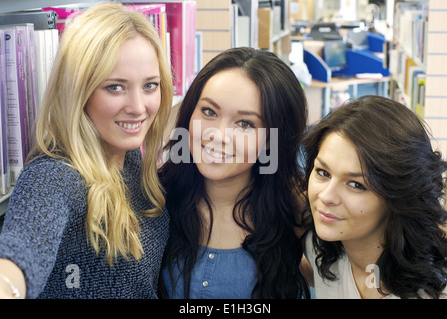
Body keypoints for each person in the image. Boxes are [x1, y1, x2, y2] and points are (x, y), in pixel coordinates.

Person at [0, 2, 173, 298]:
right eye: (115, 87)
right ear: (79, 91)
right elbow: (20, 252)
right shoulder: (54, 176)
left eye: (150, 85)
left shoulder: (126, 154)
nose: (138, 108)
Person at [158, 47, 310, 299]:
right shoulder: (154, 200)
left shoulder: (296, 212)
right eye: (209, 112)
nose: (218, 136)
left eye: (245, 124)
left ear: (272, 140)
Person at [301, 95, 447, 299]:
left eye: (356, 185)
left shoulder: (437, 290)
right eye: (323, 173)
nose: (326, 196)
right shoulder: (319, 247)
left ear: (397, 196)